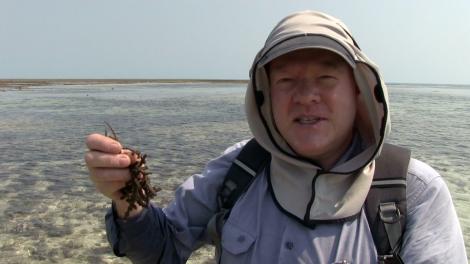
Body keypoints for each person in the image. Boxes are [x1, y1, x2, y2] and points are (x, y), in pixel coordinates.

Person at [85, 10, 467, 263]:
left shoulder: (413, 193)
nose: (305, 96)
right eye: (286, 80)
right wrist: (125, 200)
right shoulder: (238, 170)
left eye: (326, 78)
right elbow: (161, 250)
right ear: (265, 97)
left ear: (359, 92)